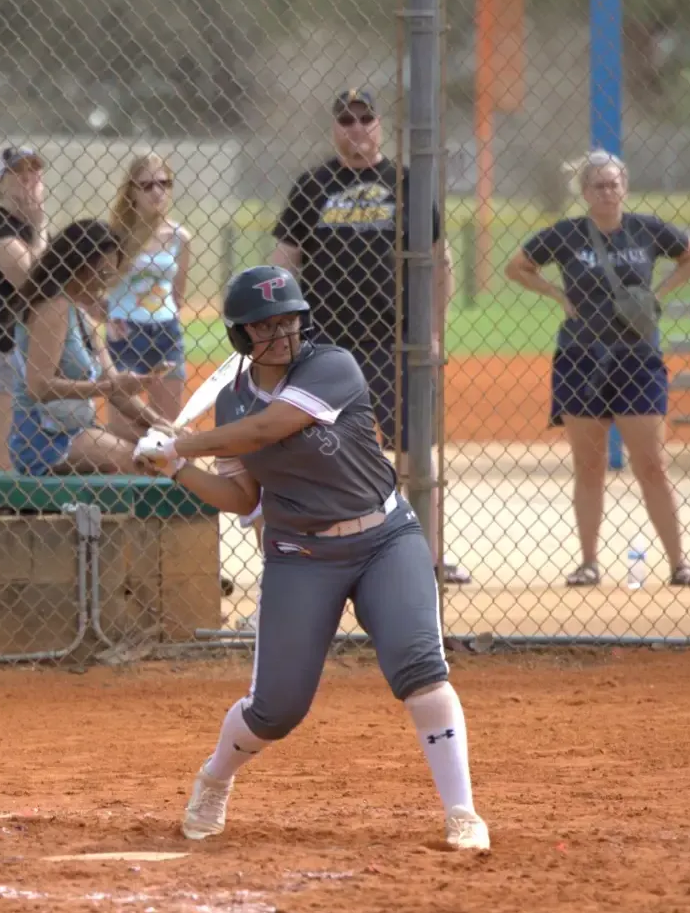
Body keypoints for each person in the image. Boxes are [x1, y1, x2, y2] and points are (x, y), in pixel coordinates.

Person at [130, 265, 489, 852]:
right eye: (266, 326)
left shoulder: (332, 366)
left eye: (289, 320)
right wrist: (177, 469)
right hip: (300, 553)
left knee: (420, 667)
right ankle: (215, 778)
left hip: (384, 539)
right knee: (276, 711)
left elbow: (270, 428)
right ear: (242, 336)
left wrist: (180, 442)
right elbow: (242, 497)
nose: (283, 334)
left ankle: (463, 812)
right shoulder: (231, 402)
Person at [269, 88, 469, 585]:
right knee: (322, 452)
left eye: (365, 119)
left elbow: (440, 262)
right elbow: (285, 262)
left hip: (393, 340)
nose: (356, 128)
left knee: (412, 451)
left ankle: (429, 557)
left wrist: (434, 333)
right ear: (334, 127)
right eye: (346, 120)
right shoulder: (312, 185)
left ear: (381, 125)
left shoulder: (406, 183)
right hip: (325, 346)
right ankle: (333, 553)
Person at [503, 150, 690, 588]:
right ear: (584, 192)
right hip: (582, 356)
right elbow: (517, 266)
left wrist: (658, 293)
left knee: (651, 463)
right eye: (598, 185)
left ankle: (679, 563)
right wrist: (558, 297)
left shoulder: (646, 229)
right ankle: (589, 562)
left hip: (636, 357)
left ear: (625, 188)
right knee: (589, 464)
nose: (608, 191)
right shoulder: (568, 234)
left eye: (614, 184)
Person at [9, 220, 173, 475]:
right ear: (78, 266)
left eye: (112, 275)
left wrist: (161, 424)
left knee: (164, 450)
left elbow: (116, 390)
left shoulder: (81, 315)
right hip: (44, 440)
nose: (105, 284)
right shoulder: (55, 307)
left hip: (75, 431)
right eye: (103, 273)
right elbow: (38, 386)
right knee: (151, 464)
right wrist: (110, 386)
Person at [0, 146, 51, 472]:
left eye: (35, 172)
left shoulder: (27, 227)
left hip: (31, 350)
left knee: (29, 452)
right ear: (1, 181)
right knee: (3, 460)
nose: (29, 178)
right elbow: (31, 282)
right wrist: (41, 226)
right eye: (18, 172)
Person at [106, 153, 194, 441]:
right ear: (132, 190)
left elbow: (178, 295)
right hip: (126, 333)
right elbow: (90, 288)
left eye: (164, 183)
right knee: (124, 431)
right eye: (147, 185)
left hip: (166, 332)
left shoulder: (180, 237)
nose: (157, 191)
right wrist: (105, 316)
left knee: (167, 429)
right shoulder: (114, 236)